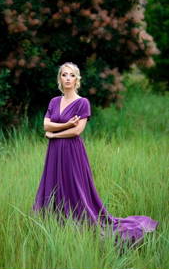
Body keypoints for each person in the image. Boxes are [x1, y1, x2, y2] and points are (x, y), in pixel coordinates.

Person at [32, 62, 158, 248]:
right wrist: (65, 125)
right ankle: (54, 222)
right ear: (60, 79)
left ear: (77, 80)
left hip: (72, 151)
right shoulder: (54, 101)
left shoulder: (83, 102)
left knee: (73, 185)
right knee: (54, 183)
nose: (67, 78)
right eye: (64, 75)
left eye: (71, 75)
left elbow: (77, 131)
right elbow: (46, 125)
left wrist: (54, 134)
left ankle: (79, 222)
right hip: (54, 152)